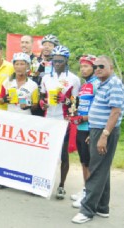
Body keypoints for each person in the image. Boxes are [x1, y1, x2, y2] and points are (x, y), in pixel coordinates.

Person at [72, 55, 124, 224]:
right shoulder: (103, 83)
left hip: (105, 132)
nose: (98, 69)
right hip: (96, 131)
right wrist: (93, 134)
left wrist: (104, 135)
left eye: (102, 66)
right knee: (102, 169)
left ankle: (87, 210)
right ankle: (102, 207)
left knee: (95, 170)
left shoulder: (114, 84)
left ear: (111, 68)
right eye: (96, 67)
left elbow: (115, 112)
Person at [39, 45, 80, 199]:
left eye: (60, 61)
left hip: (63, 120)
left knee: (63, 154)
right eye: (54, 60)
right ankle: (45, 182)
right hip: (48, 118)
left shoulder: (73, 79)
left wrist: (66, 100)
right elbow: (42, 98)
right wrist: (43, 104)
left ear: (66, 61)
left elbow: (76, 104)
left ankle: (61, 185)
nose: (57, 63)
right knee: (46, 152)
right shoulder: (46, 77)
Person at [70, 54, 99, 208]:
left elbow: (99, 108)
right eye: (81, 66)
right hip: (81, 127)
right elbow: (80, 105)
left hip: (90, 128)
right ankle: (85, 189)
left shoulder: (96, 84)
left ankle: (90, 194)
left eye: (86, 66)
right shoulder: (84, 85)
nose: (83, 69)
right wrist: (73, 114)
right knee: (83, 162)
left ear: (94, 68)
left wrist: (85, 118)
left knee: (90, 163)